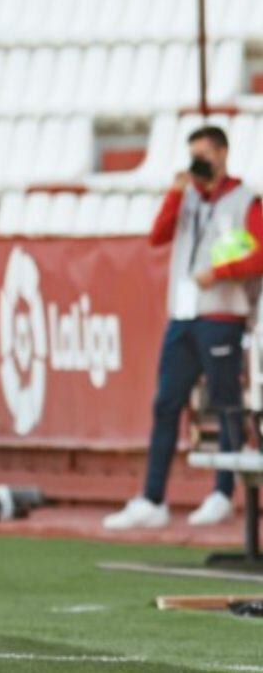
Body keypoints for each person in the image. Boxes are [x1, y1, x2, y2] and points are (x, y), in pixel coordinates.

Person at [104, 125, 263, 531]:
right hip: (183, 317)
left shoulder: (246, 200)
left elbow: (260, 255)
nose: (199, 162)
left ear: (223, 154)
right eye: (193, 154)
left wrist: (222, 272)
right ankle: (152, 497)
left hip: (222, 315)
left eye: (205, 154)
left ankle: (222, 493)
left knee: (225, 404)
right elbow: (157, 237)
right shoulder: (187, 198)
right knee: (166, 403)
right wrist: (176, 193)